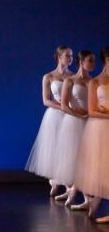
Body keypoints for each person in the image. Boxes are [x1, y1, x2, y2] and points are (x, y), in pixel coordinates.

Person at [25, 45, 74, 196]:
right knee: (54, 149)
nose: (70, 58)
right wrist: (62, 107)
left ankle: (67, 185)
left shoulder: (72, 76)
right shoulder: (49, 77)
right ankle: (54, 180)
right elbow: (46, 100)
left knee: (67, 149)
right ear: (59, 57)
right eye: (67, 55)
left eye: (71, 56)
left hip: (69, 115)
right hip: (55, 114)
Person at [53, 50, 95, 206]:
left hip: (90, 122)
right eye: (90, 60)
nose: (93, 64)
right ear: (81, 62)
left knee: (87, 160)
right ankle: (77, 193)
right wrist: (80, 116)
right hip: (74, 122)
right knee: (76, 159)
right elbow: (64, 105)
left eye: (94, 61)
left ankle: (85, 197)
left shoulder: (93, 81)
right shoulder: (70, 81)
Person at [73, 46, 109, 221]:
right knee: (102, 166)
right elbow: (93, 111)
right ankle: (95, 201)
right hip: (101, 128)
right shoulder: (95, 82)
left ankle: (97, 203)